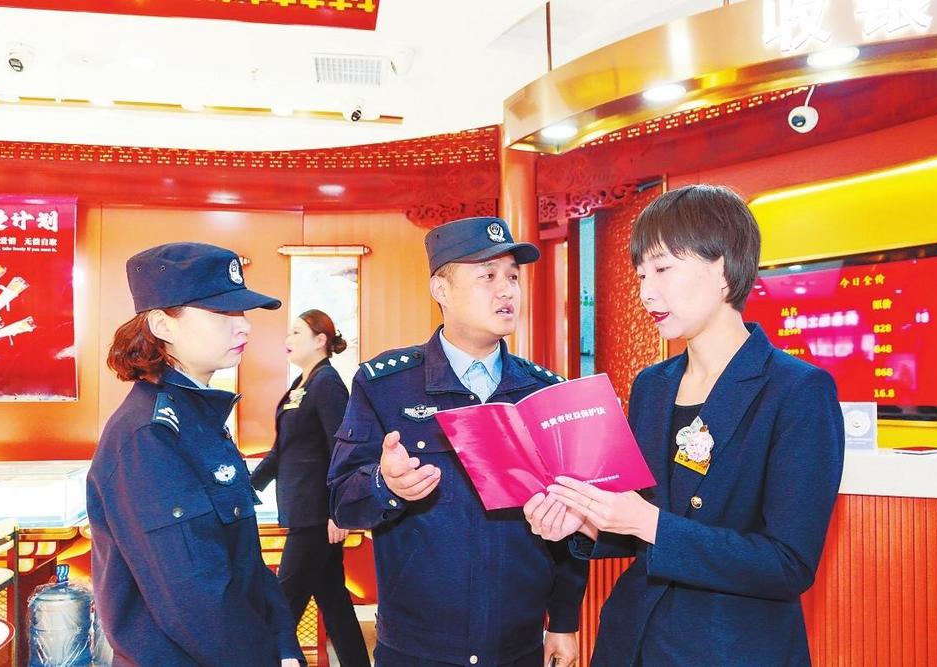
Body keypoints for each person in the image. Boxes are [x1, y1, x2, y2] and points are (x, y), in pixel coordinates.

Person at [524, 185, 845, 666]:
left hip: (730, 649)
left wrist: (646, 521)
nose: (646, 292)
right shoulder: (653, 385)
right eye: (641, 274)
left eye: (663, 269)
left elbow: (787, 564)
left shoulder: (797, 390)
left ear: (723, 268)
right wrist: (586, 522)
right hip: (632, 643)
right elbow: (645, 526)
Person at [328, 216, 589, 667]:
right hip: (416, 649)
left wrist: (564, 621)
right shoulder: (385, 385)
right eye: (487, 276)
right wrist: (385, 484)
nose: (507, 291)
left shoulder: (545, 393)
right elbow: (343, 503)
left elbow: (567, 518)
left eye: (512, 277)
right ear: (441, 289)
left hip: (517, 645)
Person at [87, 242, 305, 667]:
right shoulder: (149, 435)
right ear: (161, 324)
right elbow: (195, 599)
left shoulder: (197, 419)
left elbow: (245, 560)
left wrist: (283, 645)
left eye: (242, 313)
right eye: (222, 313)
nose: (244, 327)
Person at [251, 309, 370, 667]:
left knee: (284, 603)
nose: (287, 339)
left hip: (318, 516)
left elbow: (343, 450)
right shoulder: (299, 386)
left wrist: (339, 510)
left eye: (296, 333)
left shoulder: (327, 383)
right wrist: (244, 487)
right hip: (302, 510)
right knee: (334, 601)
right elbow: (280, 451)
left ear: (320, 341)